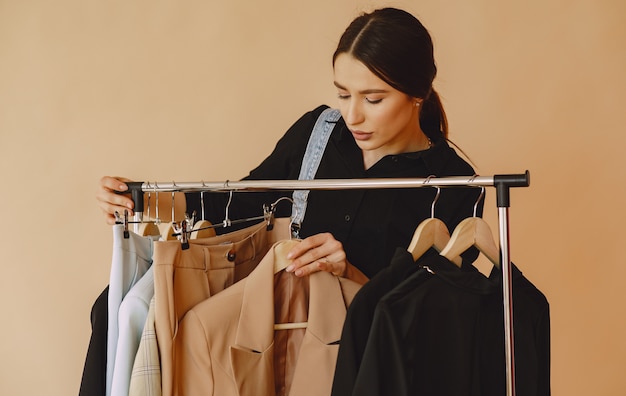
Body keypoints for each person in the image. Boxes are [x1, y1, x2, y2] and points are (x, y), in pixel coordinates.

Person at [97, 7, 482, 285]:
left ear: (417, 94)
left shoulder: (457, 188)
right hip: (295, 341)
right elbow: (242, 204)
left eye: (373, 99)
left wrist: (350, 273)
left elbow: (436, 319)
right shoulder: (317, 133)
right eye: (343, 94)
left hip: (378, 374)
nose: (352, 116)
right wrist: (142, 200)